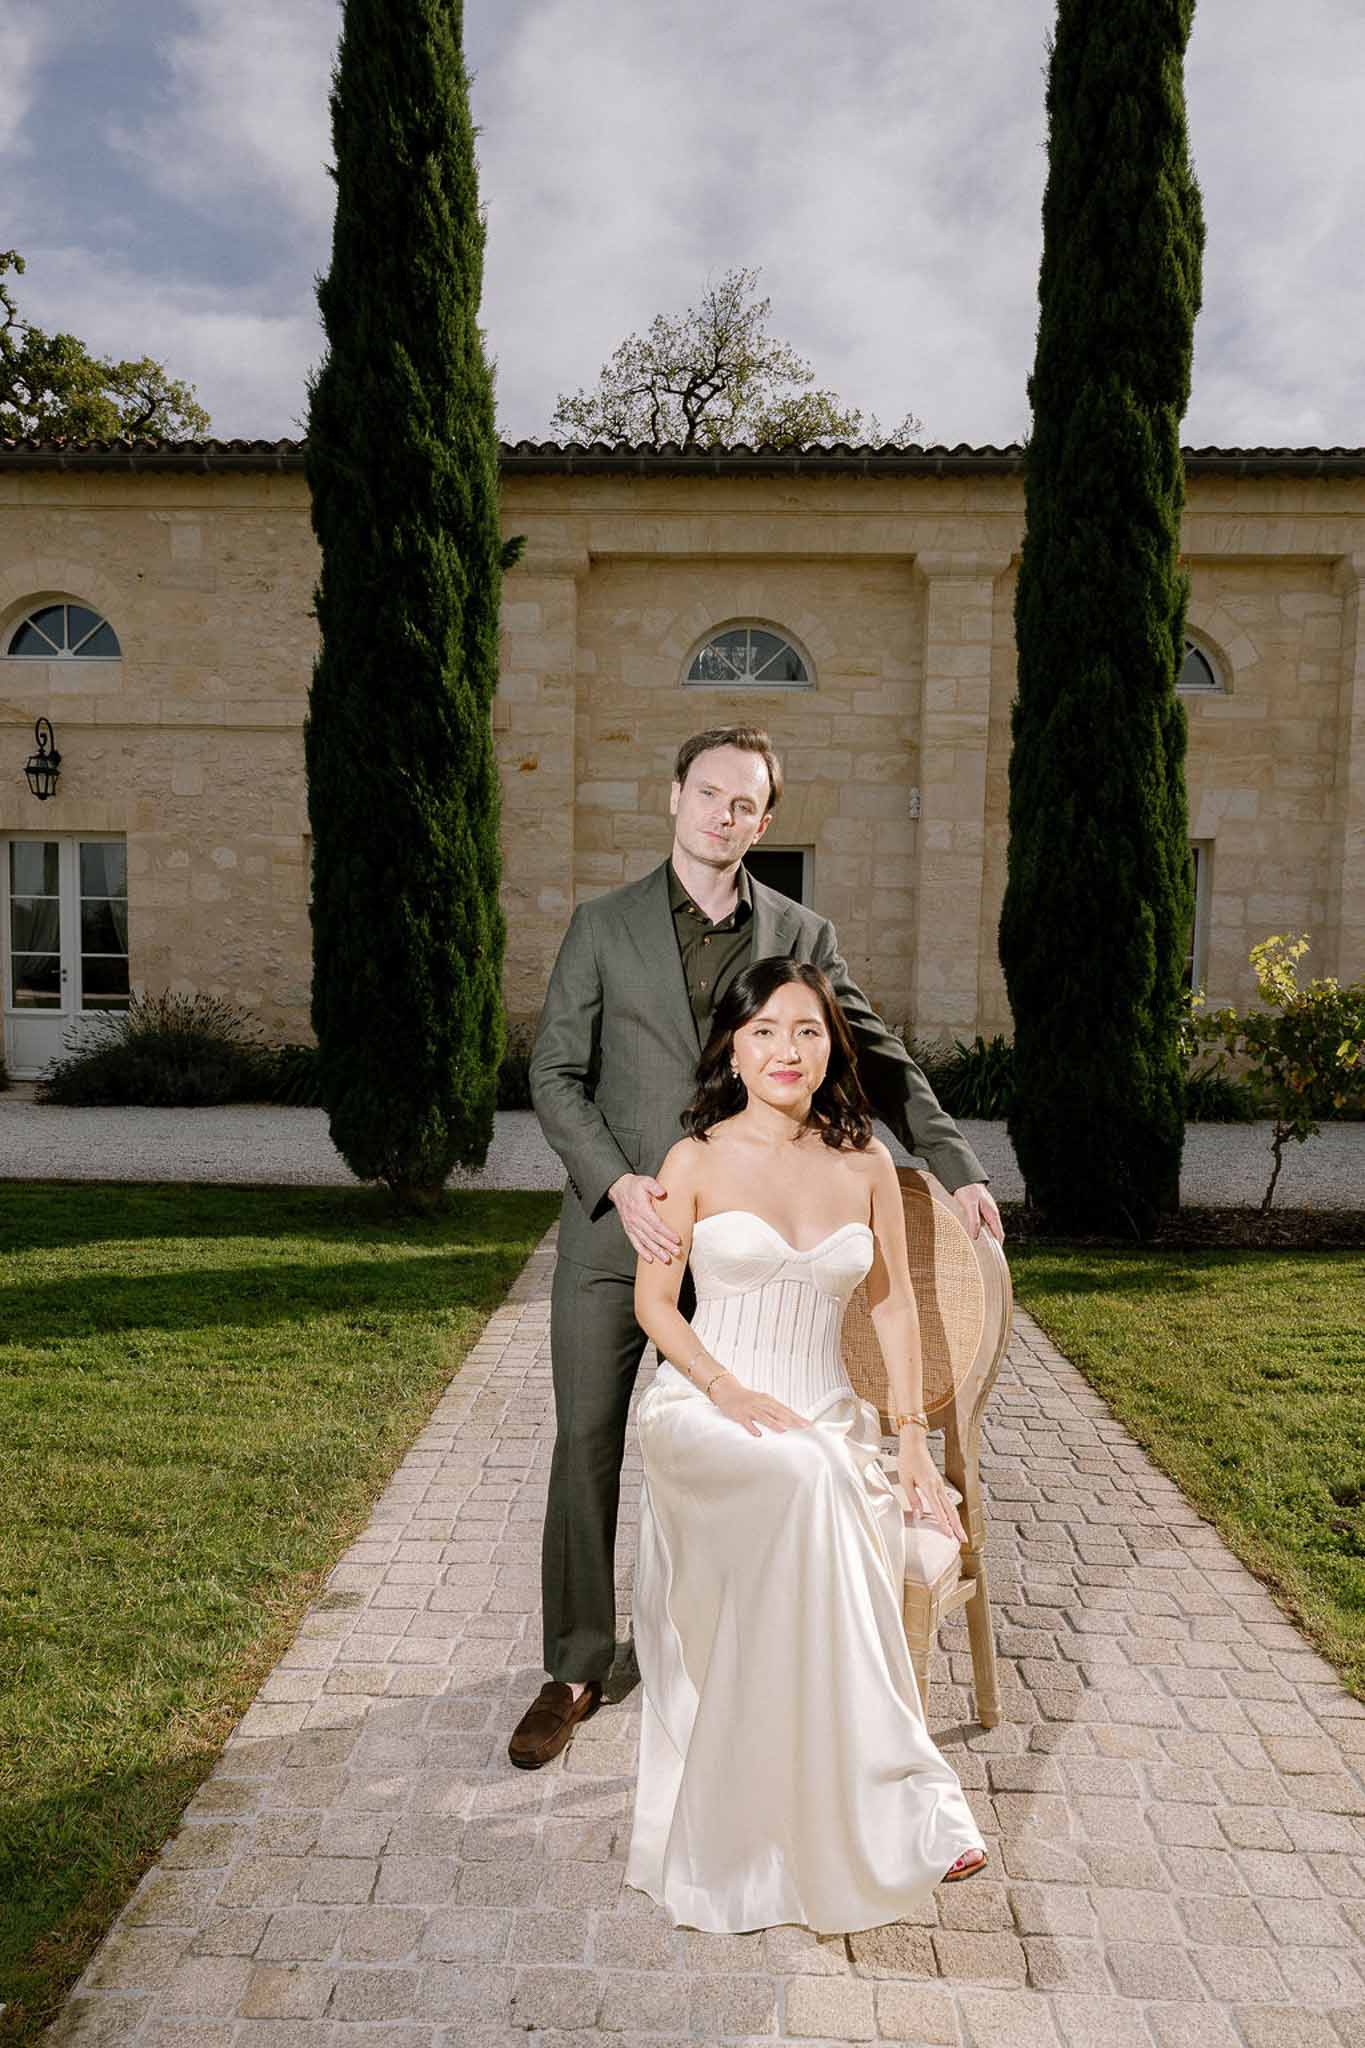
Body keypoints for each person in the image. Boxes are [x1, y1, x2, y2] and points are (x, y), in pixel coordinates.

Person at [508, 725, 1003, 1770]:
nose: (722, 815)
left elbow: (876, 1052)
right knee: (587, 1444)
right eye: (708, 794)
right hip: (622, 1231)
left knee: (754, 1444)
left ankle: (730, 1653)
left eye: (745, 803)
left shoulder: (803, 932)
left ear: (765, 822)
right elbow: (554, 1075)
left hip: (747, 1252)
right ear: (673, 795)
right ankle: (579, 1663)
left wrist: (955, 1164)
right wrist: (617, 1181)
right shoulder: (601, 927)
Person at [625, 957, 988, 1931]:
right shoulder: (692, 1158)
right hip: (705, 1408)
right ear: (733, 1047)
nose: (787, 1050)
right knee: (807, 1474)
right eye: (764, 1031)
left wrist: (911, 1438)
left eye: (808, 1030)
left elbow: (894, 1302)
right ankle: (914, 1788)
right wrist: (725, 1385)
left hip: (828, 1415)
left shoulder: (867, 1161)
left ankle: (855, 1794)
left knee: (824, 1468)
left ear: (833, 1044)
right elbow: (654, 1303)